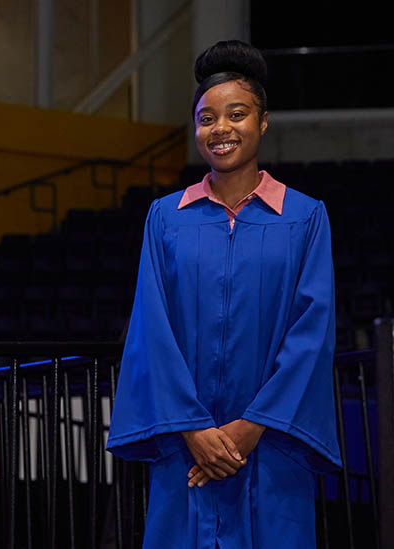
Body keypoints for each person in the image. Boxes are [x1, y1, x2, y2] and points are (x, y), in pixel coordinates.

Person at [106, 40, 341, 548]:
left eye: (238, 114)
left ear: (263, 122)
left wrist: (251, 427)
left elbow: (312, 333)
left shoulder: (304, 217)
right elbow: (152, 329)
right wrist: (193, 430)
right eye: (207, 117)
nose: (221, 129)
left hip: (274, 446)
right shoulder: (166, 218)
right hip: (185, 450)